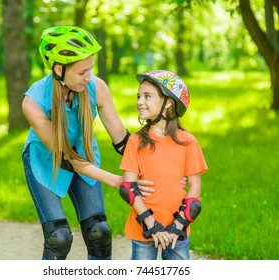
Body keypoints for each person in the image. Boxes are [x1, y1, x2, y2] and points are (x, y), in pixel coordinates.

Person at [21, 25, 149, 260]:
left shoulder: (96, 87)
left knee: (99, 233)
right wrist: (118, 181)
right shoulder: (33, 101)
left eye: (90, 69)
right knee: (58, 238)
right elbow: (68, 158)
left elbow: (122, 139)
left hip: (84, 154)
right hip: (45, 161)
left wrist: (155, 167)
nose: (88, 77)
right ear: (59, 69)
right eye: (82, 72)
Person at [118, 70, 208, 260]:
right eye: (138, 96)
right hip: (144, 228)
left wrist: (177, 227)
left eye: (147, 96)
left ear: (168, 102)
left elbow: (195, 188)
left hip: (178, 230)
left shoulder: (188, 142)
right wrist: (151, 225)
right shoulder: (136, 141)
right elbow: (128, 188)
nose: (139, 102)